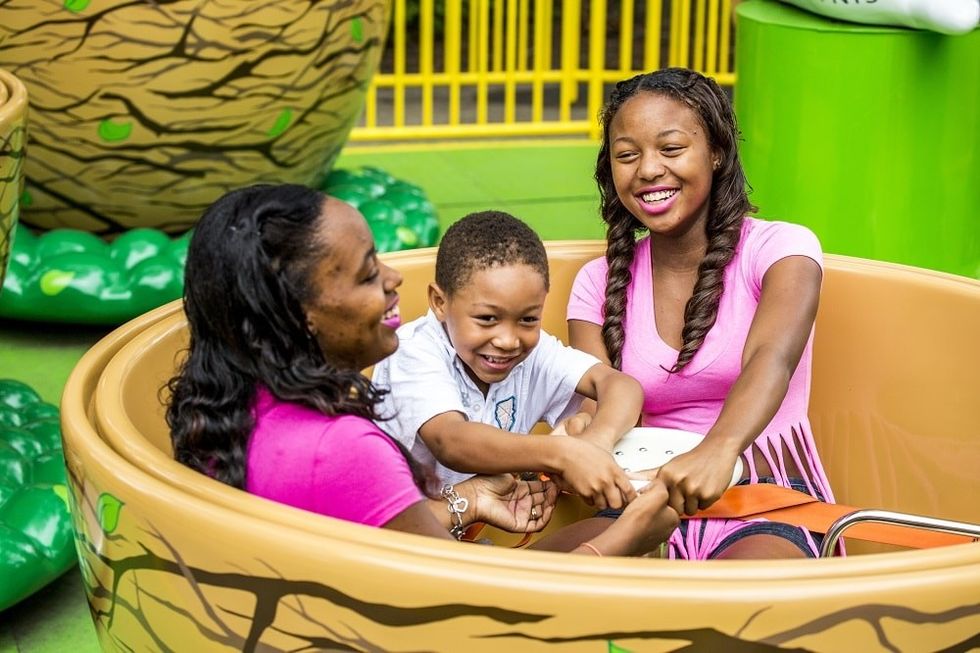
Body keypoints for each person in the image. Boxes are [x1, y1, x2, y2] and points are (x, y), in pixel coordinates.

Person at [167, 184, 677, 556]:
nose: (393, 280)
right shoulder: (341, 450)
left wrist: (470, 500)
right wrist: (619, 542)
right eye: (369, 272)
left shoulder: (241, 408)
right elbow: (468, 612)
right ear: (298, 312)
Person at [567, 67, 834, 560]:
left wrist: (719, 447)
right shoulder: (595, 282)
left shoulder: (781, 249)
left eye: (670, 149)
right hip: (640, 500)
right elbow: (594, 404)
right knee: (529, 582)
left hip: (766, 495)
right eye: (628, 155)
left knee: (747, 613)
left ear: (716, 151)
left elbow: (771, 358)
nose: (647, 170)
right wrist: (582, 436)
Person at [371, 210, 643, 512]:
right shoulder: (413, 350)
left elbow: (620, 385)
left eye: (528, 319)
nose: (508, 340)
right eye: (487, 319)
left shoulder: (535, 354)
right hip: (402, 533)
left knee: (634, 527)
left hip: (481, 531)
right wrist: (564, 453)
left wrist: (596, 442)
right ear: (440, 302)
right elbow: (452, 441)